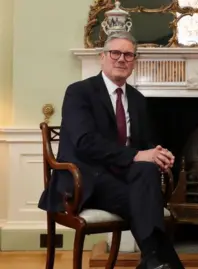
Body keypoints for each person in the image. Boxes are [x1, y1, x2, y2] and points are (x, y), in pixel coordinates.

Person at [38, 31, 183, 269]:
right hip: (83, 178)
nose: (121, 59)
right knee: (146, 202)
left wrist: (158, 154)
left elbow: (146, 144)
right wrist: (138, 155)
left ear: (134, 62)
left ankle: (152, 262)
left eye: (128, 55)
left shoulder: (138, 100)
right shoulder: (79, 92)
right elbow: (85, 142)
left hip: (122, 177)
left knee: (147, 173)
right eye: (115, 52)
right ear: (102, 57)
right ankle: (155, 260)